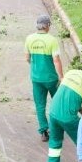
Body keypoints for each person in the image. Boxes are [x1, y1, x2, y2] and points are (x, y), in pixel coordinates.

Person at [25, 15, 64, 144]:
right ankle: (58, 126)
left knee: (40, 105)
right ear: (47, 25)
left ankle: (43, 131)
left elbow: (27, 58)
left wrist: (36, 68)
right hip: (51, 78)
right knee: (58, 102)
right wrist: (61, 76)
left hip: (36, 79)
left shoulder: (29, 39)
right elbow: (56, 60)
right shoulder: (51, 40)